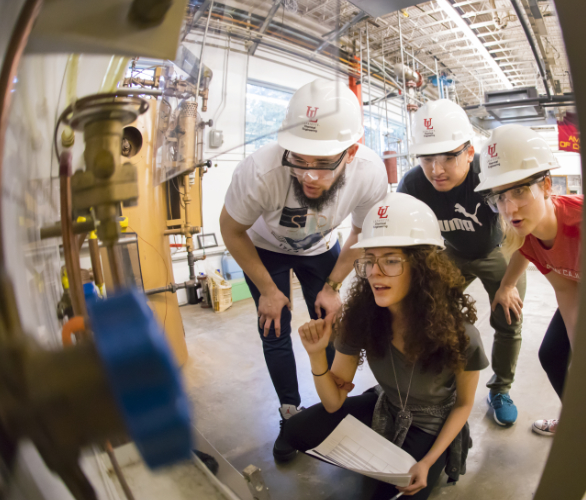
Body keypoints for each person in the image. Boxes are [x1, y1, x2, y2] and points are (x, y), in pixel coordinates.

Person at [219, 79, 388, 461]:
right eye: (299, 158)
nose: (309, 175)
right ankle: (289, 411)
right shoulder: (260, 171)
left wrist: (332, 285)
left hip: (322, 248)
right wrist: (266, 289)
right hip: (264, 249)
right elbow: (231, 228)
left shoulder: (370, 173)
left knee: (327, 322)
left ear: (352, 150)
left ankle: (332, 409)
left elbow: (362, 233)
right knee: (274, 326)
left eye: (324, 163)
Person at [282, 192, 489, 499]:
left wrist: (428, 460)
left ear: (423, 268)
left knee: (395, 493)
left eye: (391, 260)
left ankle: (438, 460)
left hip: (430, 423)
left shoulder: (461, 334)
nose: (375, 272)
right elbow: (333, 403)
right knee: (295, 430)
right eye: (369, 260)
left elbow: (463, 404)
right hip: (386, 404)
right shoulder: (362, 318)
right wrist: (316, 356)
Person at [473, 124, 586, 436]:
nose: (510, 209)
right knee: (553, 355)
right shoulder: (527, 237)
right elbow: (565, 289)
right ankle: (577, 421)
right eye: (500, 197)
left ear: (546, 185)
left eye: (519, 191)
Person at [397, 99, 527, 426]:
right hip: (451, 252)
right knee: (429, 311)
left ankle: (500, 389)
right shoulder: (413, 185)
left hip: (500, 250)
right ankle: (439, 383)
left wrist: (509, 284)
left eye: (449, 157)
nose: (436, 170)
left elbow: (529, 231)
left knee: (508, 318)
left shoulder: (493, 174)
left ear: (470, 152)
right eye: (427, 158)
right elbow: (401, 238)